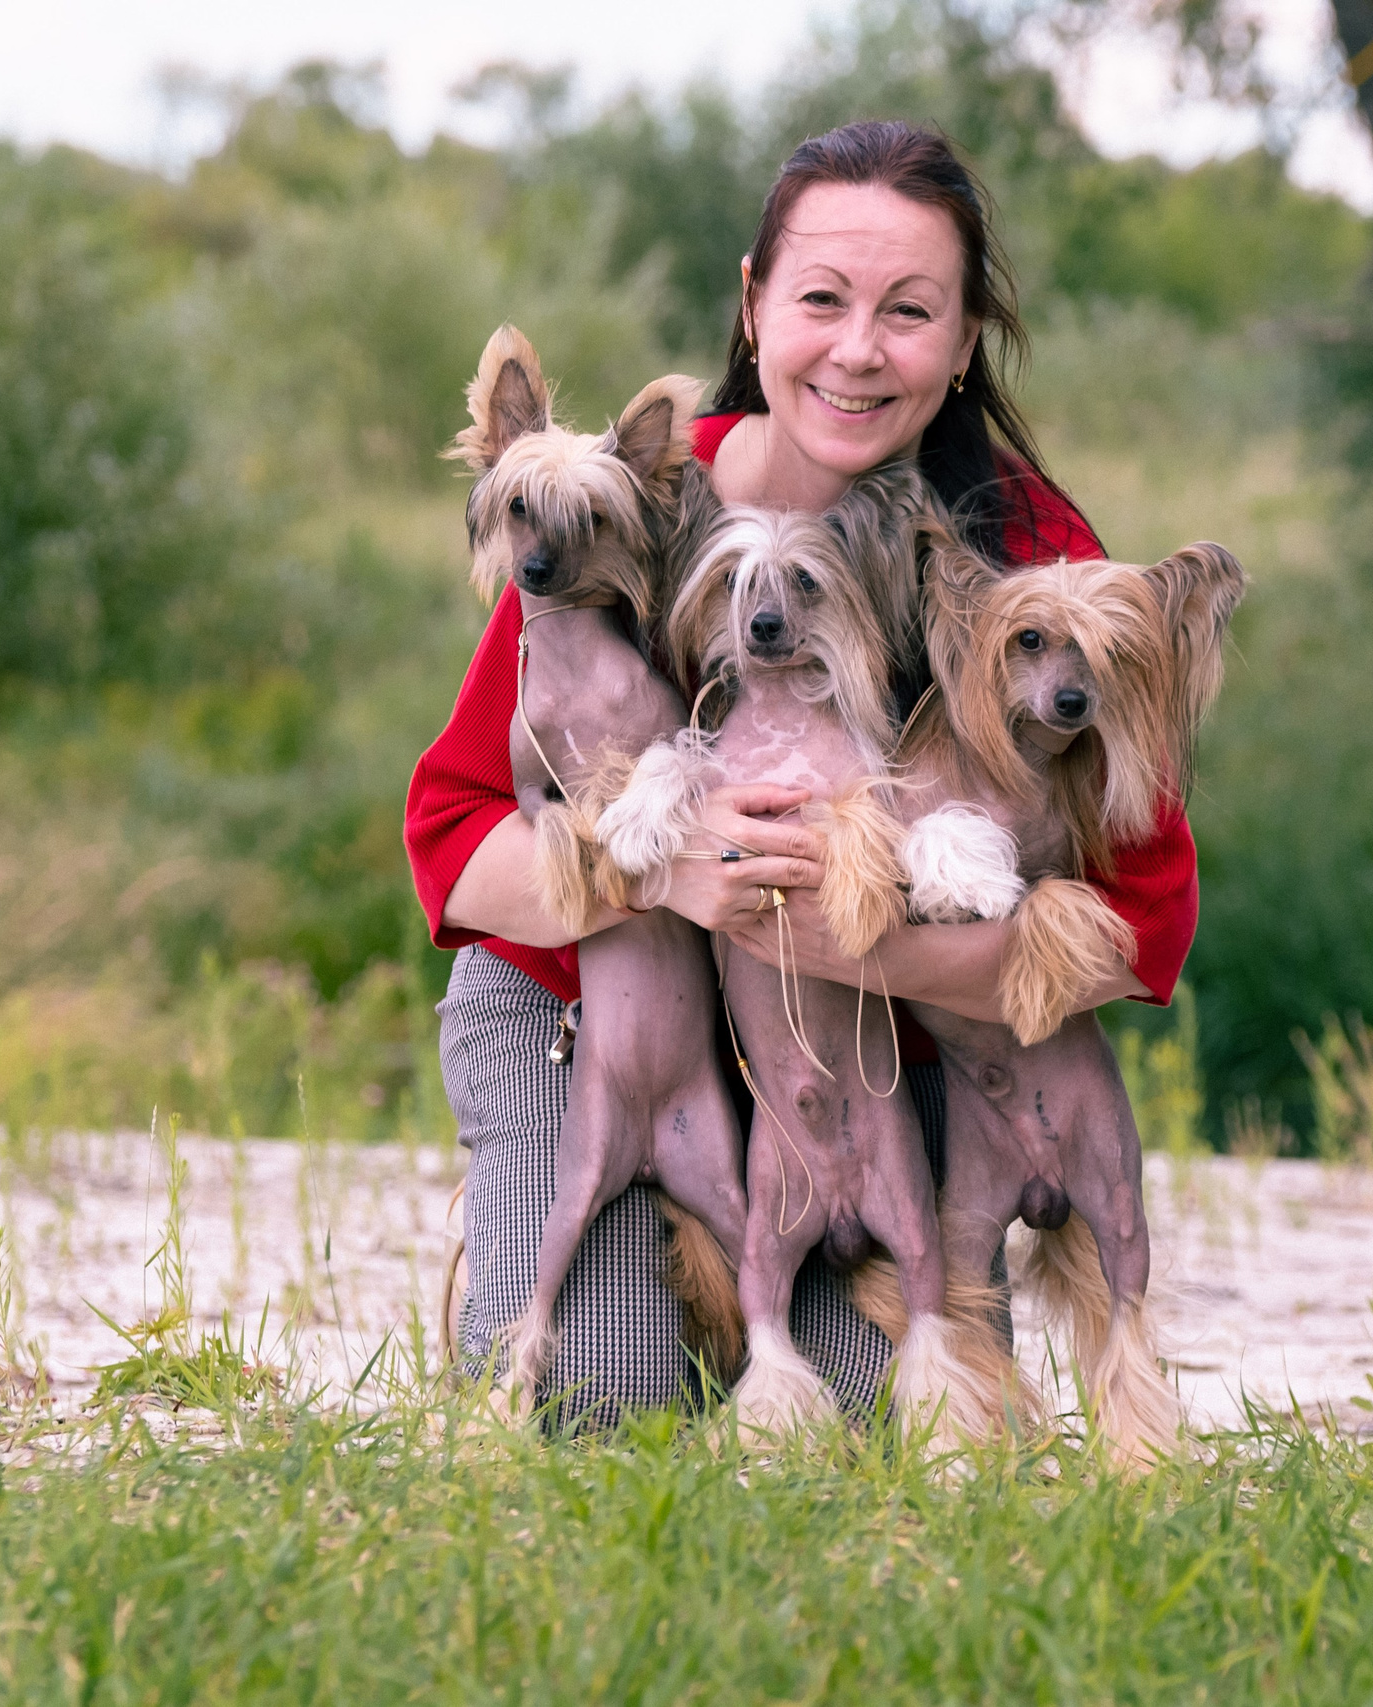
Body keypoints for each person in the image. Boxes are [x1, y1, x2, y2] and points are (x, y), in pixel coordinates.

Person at [403, 119, 1198, 1429]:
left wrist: (845, 937)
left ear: (963, 341)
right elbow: (453, 838)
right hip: (591, 1020)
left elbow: (1141, 914)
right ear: (754, 305)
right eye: (821, 298)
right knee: (601, 1405)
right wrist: (660, 867)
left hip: (850, 1061)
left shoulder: (1030, 551)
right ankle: (553, 1244)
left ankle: (751, 1290)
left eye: (911, 310)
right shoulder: (630, 496)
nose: (858, 347)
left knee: (876, 1424)